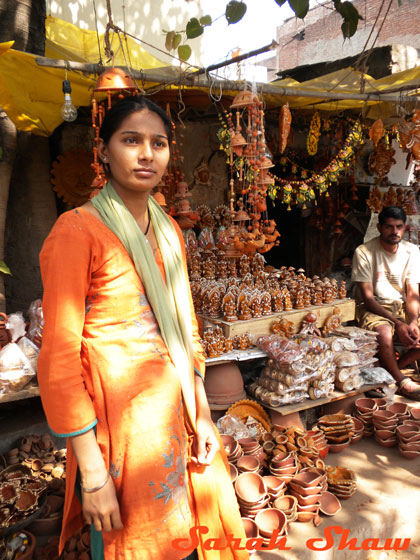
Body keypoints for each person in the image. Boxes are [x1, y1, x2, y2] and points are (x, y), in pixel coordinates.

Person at [37, 95, 248, 560]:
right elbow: (57, 360)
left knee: (191, 542)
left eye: (158, 143)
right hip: (122, 439)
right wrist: (92, 472)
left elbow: (187, 328)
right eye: (130, 140)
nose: (146, 153)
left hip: (178, 421)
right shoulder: (77, 233)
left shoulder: (170, 229)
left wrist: (203, 414)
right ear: (105, 151)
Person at [352, 205, 420, 400]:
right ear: (380, 228)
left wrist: (413, 322)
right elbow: (368, 298)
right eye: (389, 227)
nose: (394, 232)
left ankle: (390, 371)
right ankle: (401, 381)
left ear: (405, 228)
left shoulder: (412, 251)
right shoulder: (364, 251)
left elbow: (413, 293)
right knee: (383, 332)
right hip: (375, 308)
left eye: (399, 227)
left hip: (403, 307)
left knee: (417, 331)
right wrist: (398, 324)